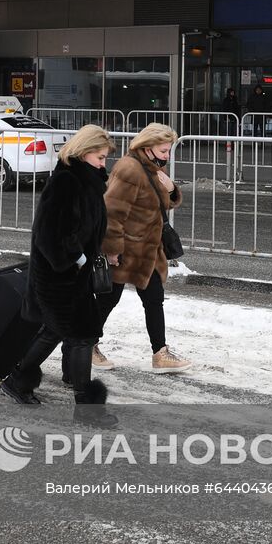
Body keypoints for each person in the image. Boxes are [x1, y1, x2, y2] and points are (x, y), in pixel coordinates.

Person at [1, 125, 116, 407]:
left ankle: (17, 381)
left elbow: (85, 227)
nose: (104, 164)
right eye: (100, 157)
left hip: (73, 275)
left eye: (104, 158)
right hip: (59, 276)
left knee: (55, 330)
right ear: (83, 152)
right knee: (83, 335)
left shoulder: (86, 180)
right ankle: (86, 406)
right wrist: (77, 259)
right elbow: (48, 233)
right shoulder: (67, 181)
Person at [98, 123, 193, 373]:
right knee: (108, 299)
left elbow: (156, 206)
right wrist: (112, 250)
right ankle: (86, 344)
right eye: (164, 151)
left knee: (153, 299)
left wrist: (171, 190)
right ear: (148, 147)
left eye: (169, 151)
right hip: (126, 248)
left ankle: (160, 353)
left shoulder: (151, 170)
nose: (167, 156)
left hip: (147, 250)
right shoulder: (130, 169)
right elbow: (113, 213)